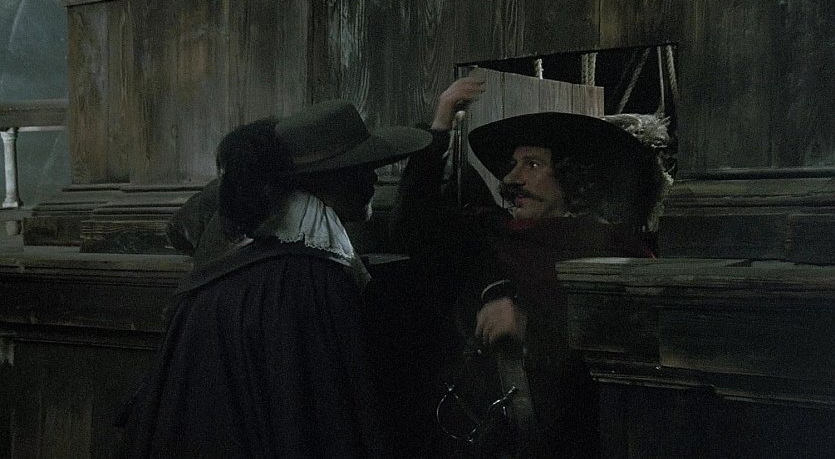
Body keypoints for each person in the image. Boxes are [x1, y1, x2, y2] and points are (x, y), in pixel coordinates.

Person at [118, 100, 431, 458]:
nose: (373, 179)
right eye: (360, 168)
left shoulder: (278, 265)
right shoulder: (312, 280)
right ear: (323, 180)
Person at [390, 76, 670, 457]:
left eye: (532, 164)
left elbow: (635, 360)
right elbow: (411, 227)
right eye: (513, 165)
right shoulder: (491, 238)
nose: (511, 178)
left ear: (572, 177)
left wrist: (528, 329)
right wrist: (441, 125)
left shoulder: (618, 254)